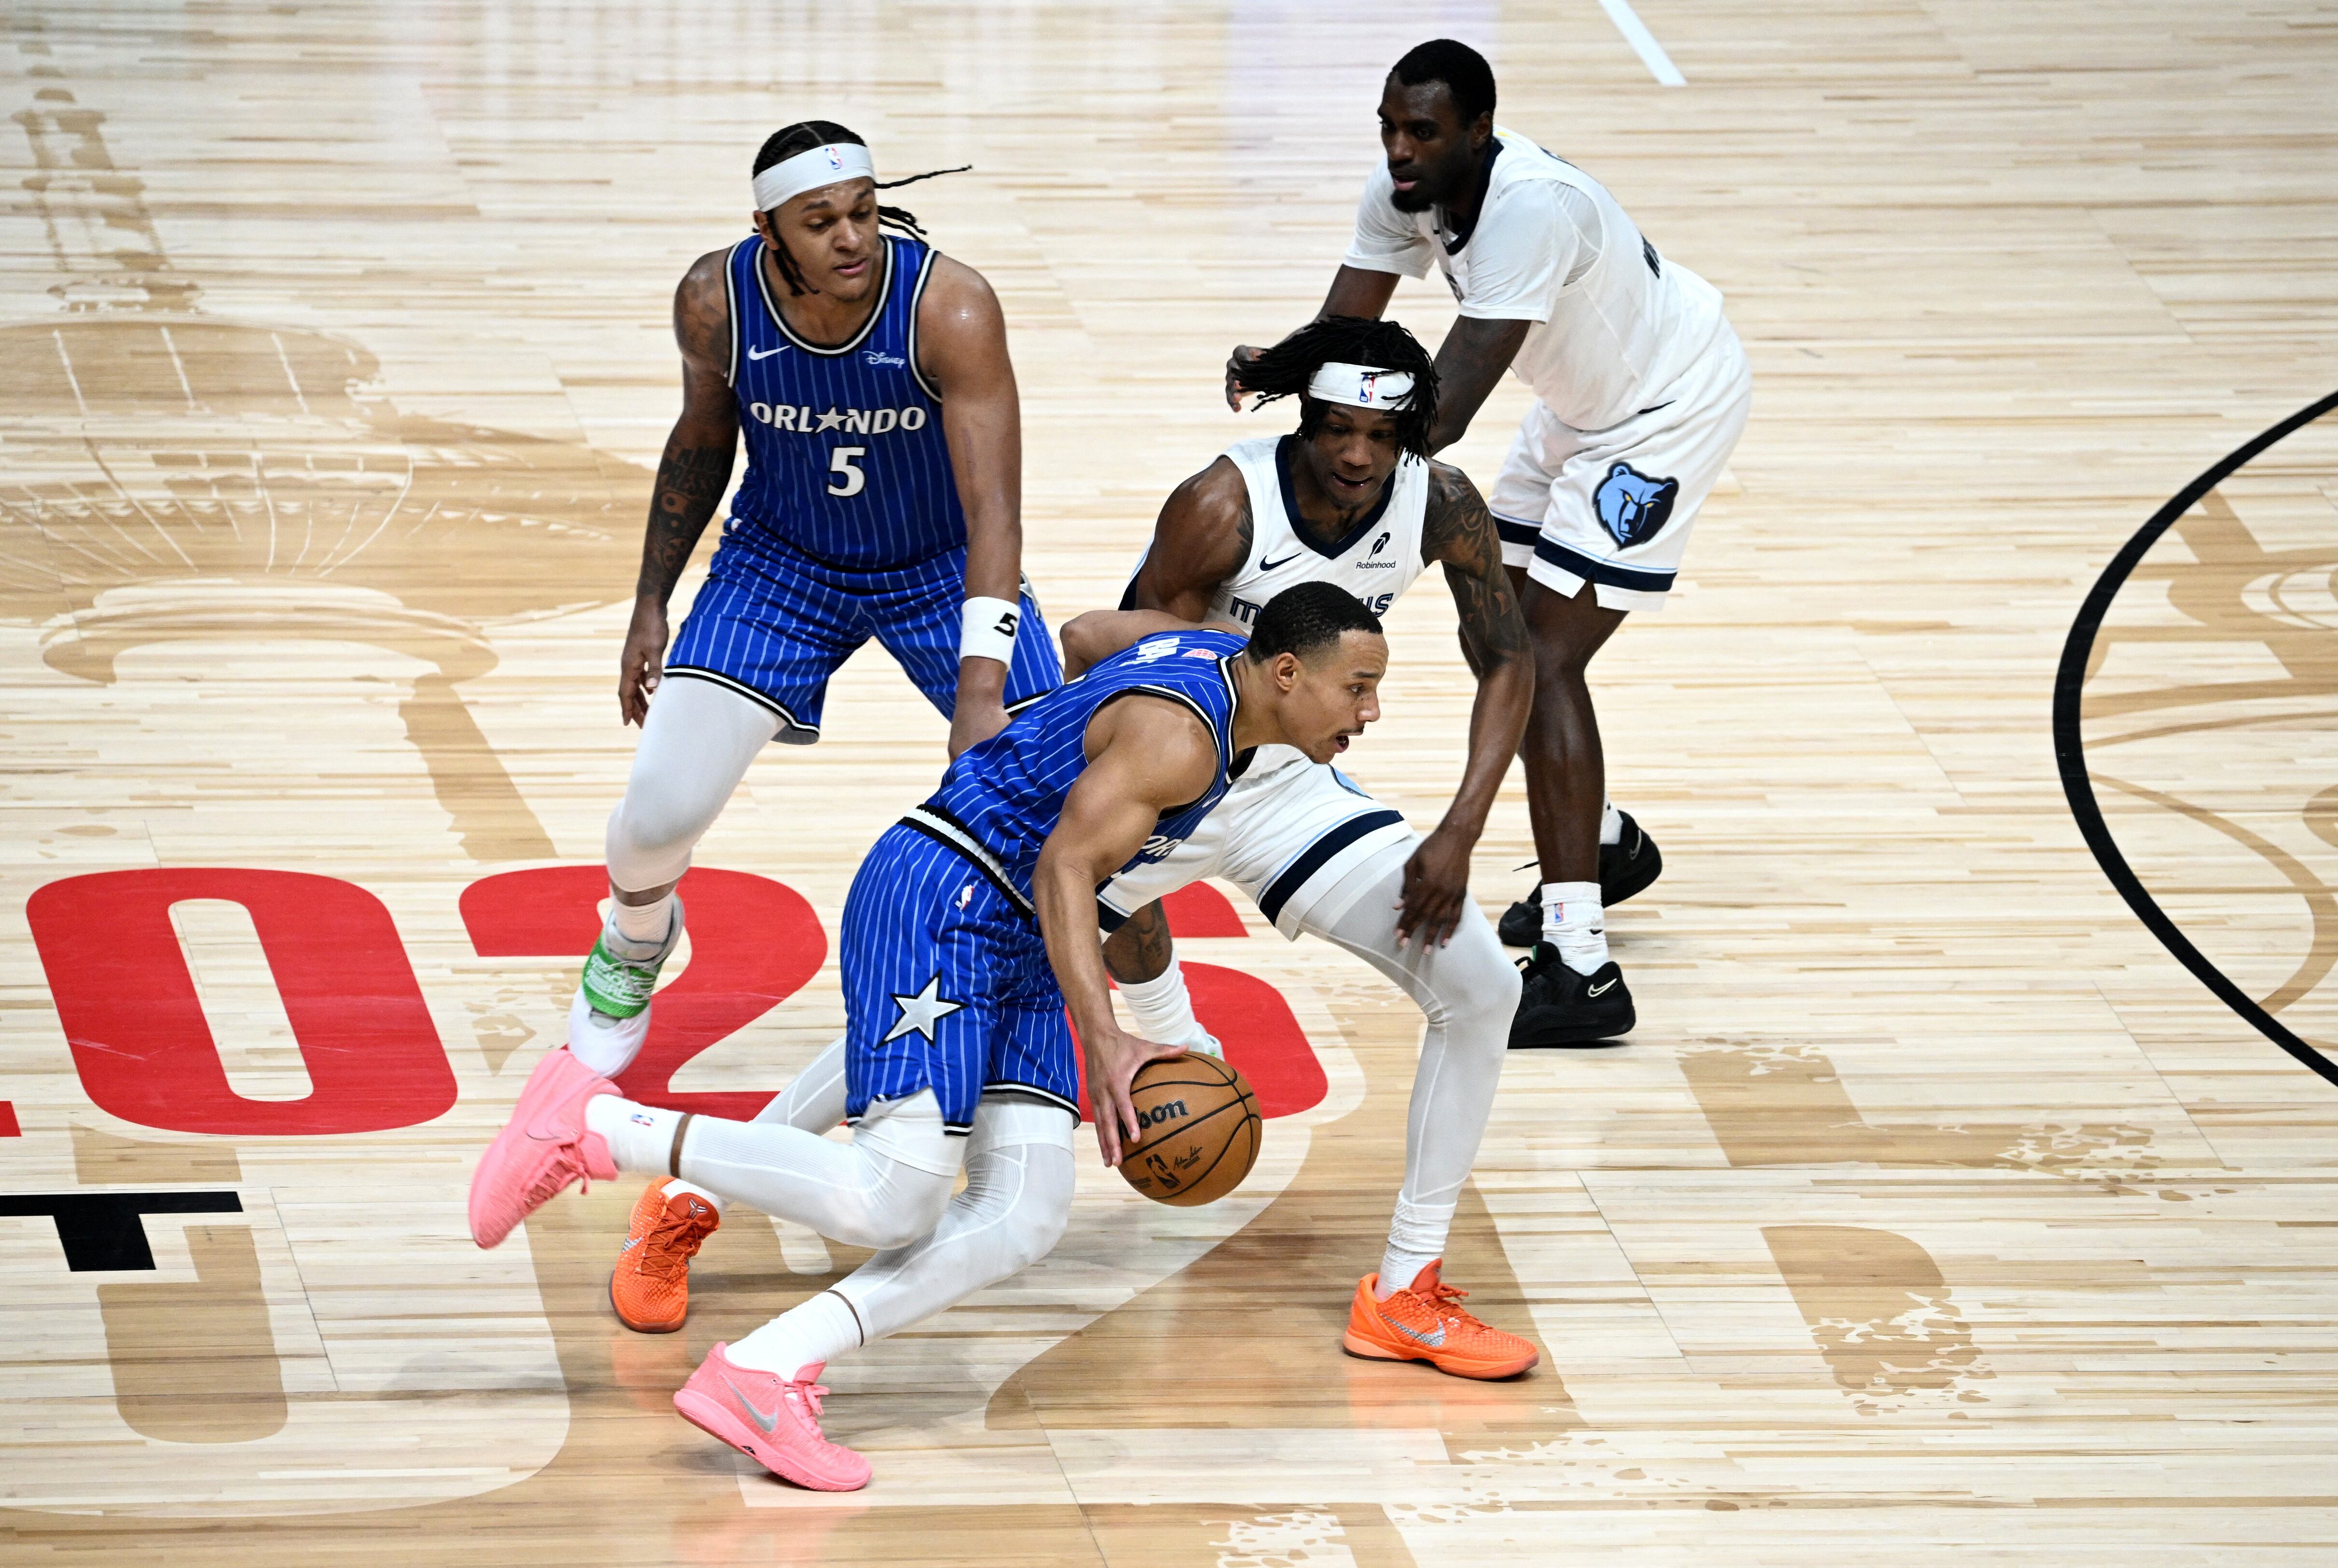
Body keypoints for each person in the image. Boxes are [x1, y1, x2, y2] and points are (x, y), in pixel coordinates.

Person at [468, 583, 1390, 1493]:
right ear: (1282, 672)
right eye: (1355, 687)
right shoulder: (1181, 741)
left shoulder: (1198, 652)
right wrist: (1106, 1038)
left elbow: (1085, 633)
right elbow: (1066, 861)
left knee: (1021, 1213)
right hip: (946, 895)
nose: (1369, 711)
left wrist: (1053, 745)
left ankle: (763, 1371)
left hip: (1019, 936)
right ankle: (592, 1125)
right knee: (889, 1200)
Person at [570, 120, 1058, 1315]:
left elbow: (995, 506)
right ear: (767, 236)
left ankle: (1158, 1023)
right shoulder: (715, 301)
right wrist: (651, 596)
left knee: (1070, 830)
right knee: (654, 817)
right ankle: (635, 942)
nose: (851, 238)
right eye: (821, 221)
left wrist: (980, 685)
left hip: (938, 568)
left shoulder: (949, 306)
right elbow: (702, 440)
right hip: (779, 563)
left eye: (864, 210)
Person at [1229, 39, 1752, 1045]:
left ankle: (1580, 962)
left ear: (1479, 129)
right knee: (1495, 635)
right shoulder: (1405, 190)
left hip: (1663, 409)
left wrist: (1326, 482)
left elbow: (1445, 411)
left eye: (1420, 131)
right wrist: (1283, 364)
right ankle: (1595, 837)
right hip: (1578, 409)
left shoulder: (1528, 209)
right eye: (1386, 127)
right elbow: (1348, 324)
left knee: (1541, 657)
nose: (1397, 149)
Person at [1057, 314, 1541, 1373]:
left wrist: (1459, 827)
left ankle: (1405, 1288)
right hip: (1177, 756)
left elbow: (1509, 660)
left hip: (1289, 787)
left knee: (1482, 987)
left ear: (1412, 427)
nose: (1358, 453)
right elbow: (1125, 668)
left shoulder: (1438, 501)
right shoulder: (1220, 504)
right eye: (1335, 427)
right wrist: (1120, 849)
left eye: (1381, 431)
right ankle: (695, 1182)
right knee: (959, 979)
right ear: (1304, 418)